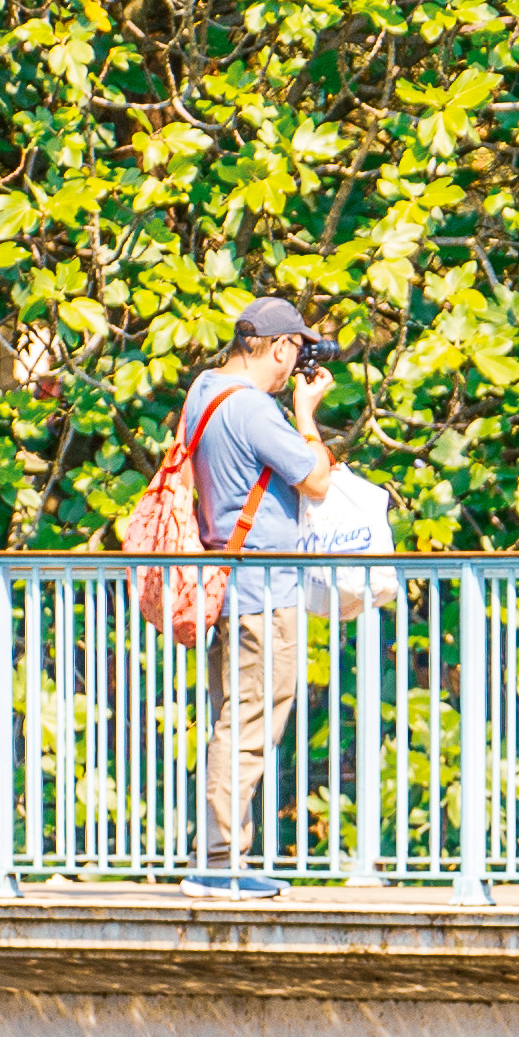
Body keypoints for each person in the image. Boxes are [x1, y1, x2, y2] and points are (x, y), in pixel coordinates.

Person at [179, 297, 352, 892]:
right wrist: (306, 411)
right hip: (263, 592)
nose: (295, 366)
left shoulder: (204, 390)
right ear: (279, 348)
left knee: (234, 717)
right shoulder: (253, 410)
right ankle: (222, 863)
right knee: (249, 723)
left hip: (228, 585)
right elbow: (317, 478)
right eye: (296, 353)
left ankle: (222, 858)